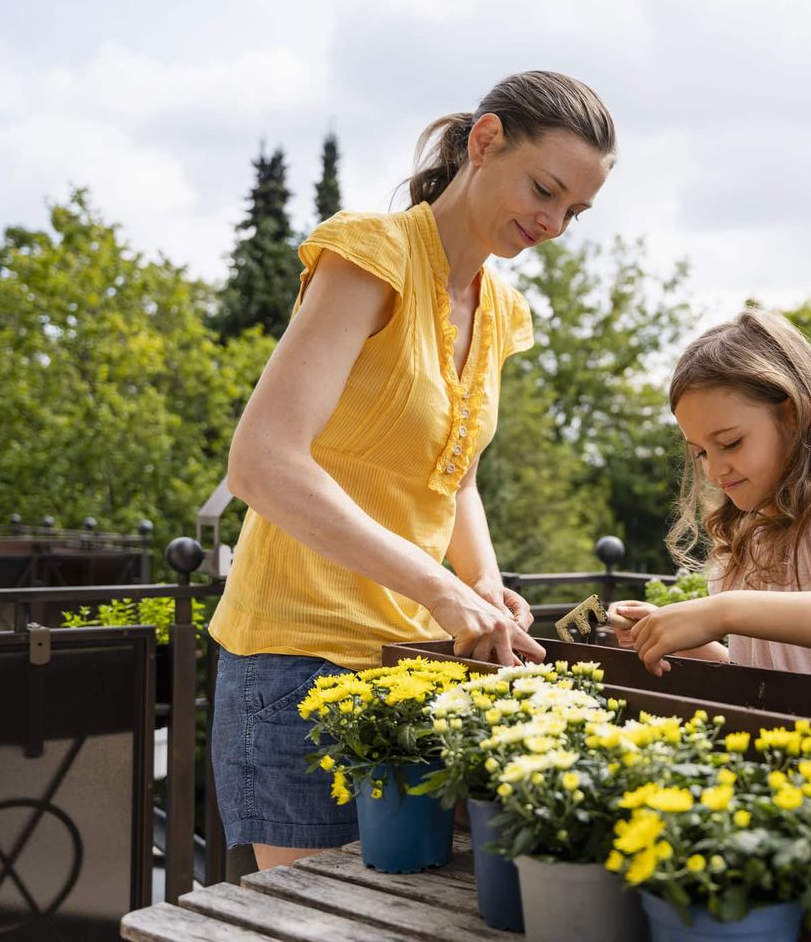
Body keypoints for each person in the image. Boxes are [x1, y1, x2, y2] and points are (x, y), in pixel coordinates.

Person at [207, 71, 616, 868]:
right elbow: (262, 463)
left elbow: (452, 472)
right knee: (319, 925)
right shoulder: (372, 253)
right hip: (298, 662)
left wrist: (483, 581)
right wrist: (441, 588)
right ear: (485, 140)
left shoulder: (499, 310)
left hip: (414, 666)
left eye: (574, 210)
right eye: (545, 189)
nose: (553, 222)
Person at [608, 309, 811, 679]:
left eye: (730, 443)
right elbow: (760, 676)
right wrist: (679, 632)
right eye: (701, 452)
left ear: (793, 415)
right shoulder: (748, 533)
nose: (714, 471)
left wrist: (722, 611)